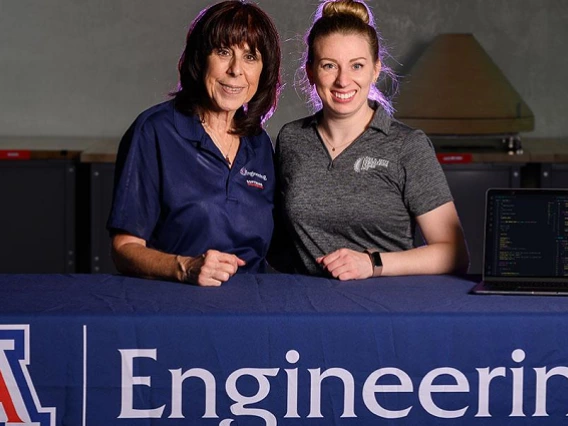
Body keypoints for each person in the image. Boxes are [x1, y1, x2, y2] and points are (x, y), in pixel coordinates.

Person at [270, 0, 469, 280]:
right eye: (329, 65)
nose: (343, 80)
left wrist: (372, 264)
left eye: (357, 66)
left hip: (386, 309)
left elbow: (455, 253)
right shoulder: (292, 139)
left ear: (376, 69)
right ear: (311, 71)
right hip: (308, 309)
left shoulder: (407, 146)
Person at [107, 1, 281, 286]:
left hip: (252, 310)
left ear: (264, 71)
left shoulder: (259, 144)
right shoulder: (155, 132)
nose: (236, 70)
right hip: (176, 307)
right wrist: (185, 267)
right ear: (201, 58)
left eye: (251, 57)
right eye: (223, 52)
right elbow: (124, 249)